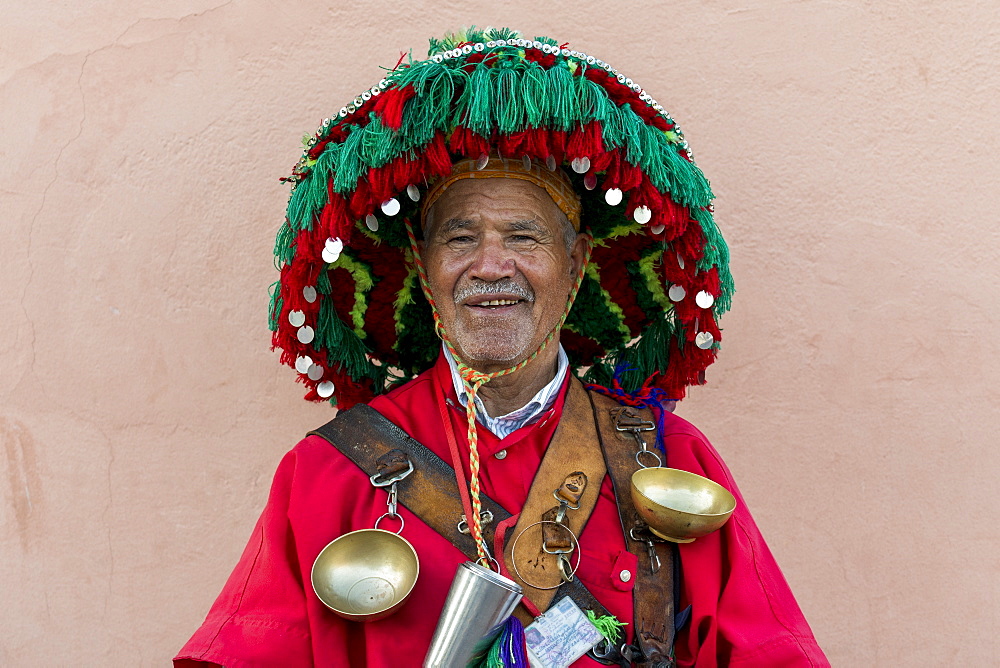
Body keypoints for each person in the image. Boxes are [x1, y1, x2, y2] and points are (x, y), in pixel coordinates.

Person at [176, 28, 828, 667]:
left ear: (575, 264)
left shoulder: (671, 459)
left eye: (523, 237)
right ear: (423, 264)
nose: (491, 266)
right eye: (461, 238)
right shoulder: (327, 474)